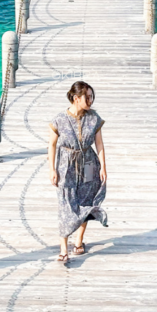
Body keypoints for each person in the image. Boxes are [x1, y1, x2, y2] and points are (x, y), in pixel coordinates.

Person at [47, 81, 108, 263]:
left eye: (91, 96)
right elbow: (51, 145)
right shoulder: (59, 119)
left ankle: (79, 240)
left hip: (89, 163)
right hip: (66, 164)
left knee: (86, 201)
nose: (90, 100)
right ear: (76, 98)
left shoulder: (94, 118)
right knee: (66, 203)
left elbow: (99, 144)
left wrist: (103, 167)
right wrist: (52, 169)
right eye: (87, 97)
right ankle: (63, 247)